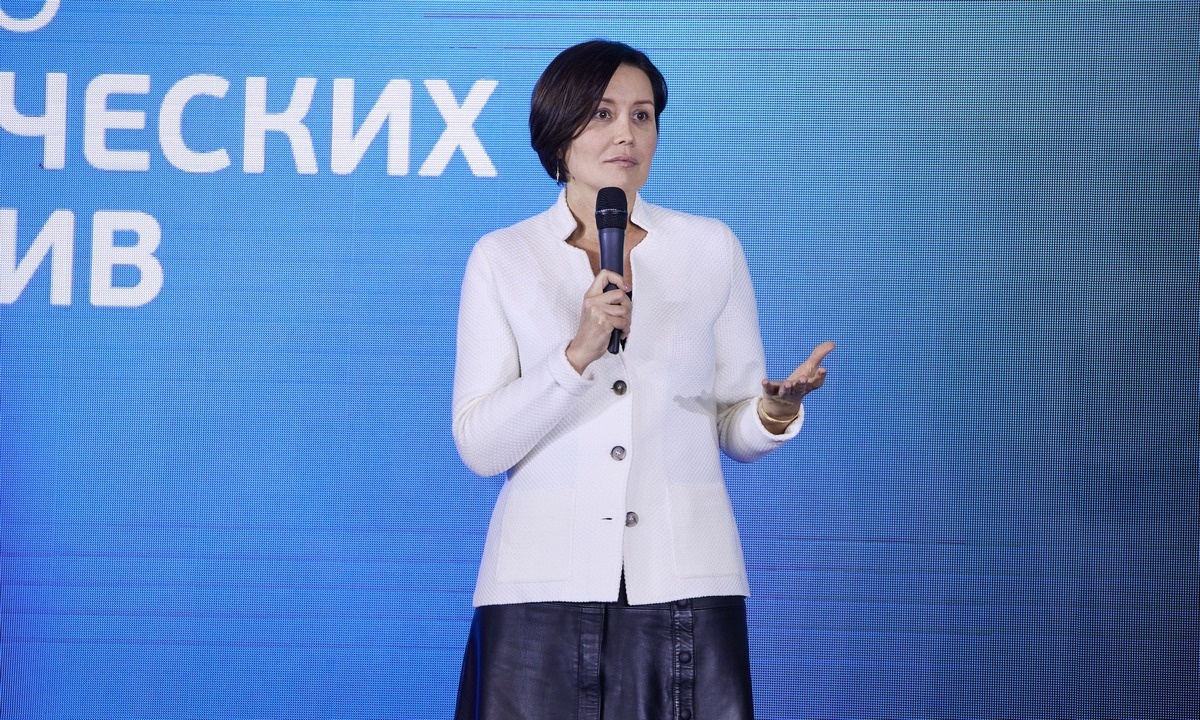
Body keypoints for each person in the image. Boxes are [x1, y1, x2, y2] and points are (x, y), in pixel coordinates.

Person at [451, 39, 835, 720]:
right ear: (559, 129)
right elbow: (480, 446)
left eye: (642, 115)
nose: (626, 133)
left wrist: (773, 412)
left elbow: (732, 424)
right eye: (602, 114)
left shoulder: (710, 247)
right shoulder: (503, 257)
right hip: (539, 587)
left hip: (686, 577)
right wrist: (577, 355)